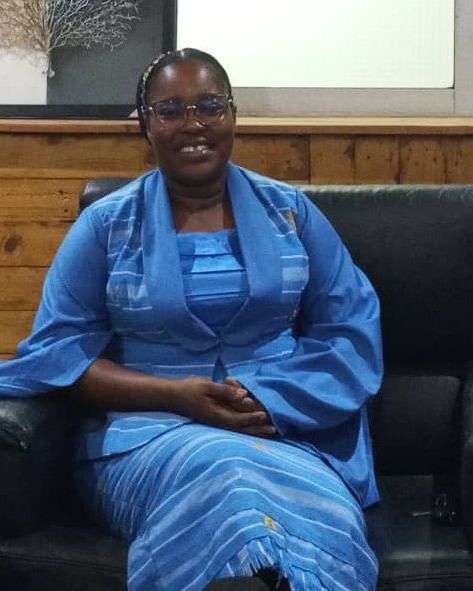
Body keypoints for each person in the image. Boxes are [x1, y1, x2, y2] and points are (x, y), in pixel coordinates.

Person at [0, 48, 383, 590]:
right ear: (145, 124)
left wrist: (271, 398)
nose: (193, 124)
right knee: (225, 476)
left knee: (312, 513)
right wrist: (176, 396)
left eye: (209, 105)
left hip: (283, 427)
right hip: (147, 436)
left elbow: (350, 329)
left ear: (232, 115)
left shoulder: (289, 212)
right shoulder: (106, 227)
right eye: (170, 110)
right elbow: (59, 355)